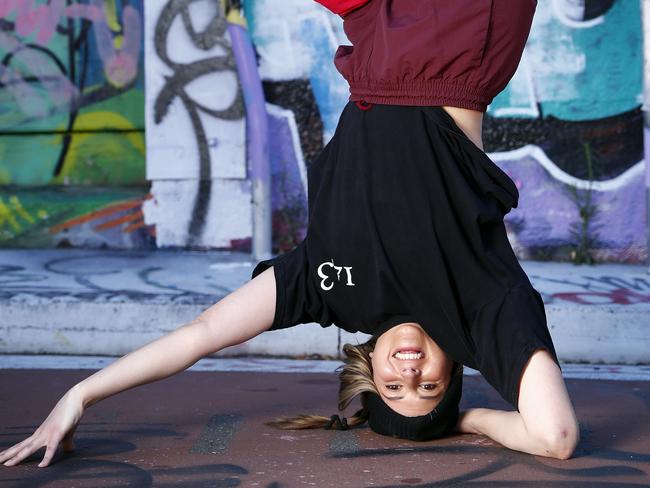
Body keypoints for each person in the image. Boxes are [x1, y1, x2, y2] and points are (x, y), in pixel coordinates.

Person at [0, 0, 579, 469]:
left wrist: (79, 395)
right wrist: (469, 419)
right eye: (428, 390)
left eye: (394, 390)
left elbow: (202, 334)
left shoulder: (326, 286)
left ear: (369, 369)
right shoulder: (481, 308)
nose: (409, 375)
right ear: (452, 373)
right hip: (455, 32)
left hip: (374, 26)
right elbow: (555, 437)